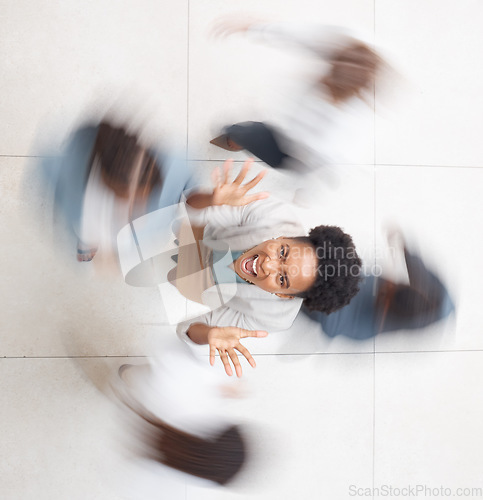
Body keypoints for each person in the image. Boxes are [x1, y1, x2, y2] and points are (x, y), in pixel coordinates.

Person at [173, 159, 362, 376]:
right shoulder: (274, 215)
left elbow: (189, 330)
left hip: (202, 283)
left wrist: (209, 334)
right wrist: (211, 199)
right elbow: (192, 208)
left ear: (284, 296)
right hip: (204, 235)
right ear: (285, 236)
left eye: (282, 279)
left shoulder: (274, 317)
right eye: (282, 252)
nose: (266, 264)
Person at [210, 20, 388, 178]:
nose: (324, 76)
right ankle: (236, 138)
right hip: (289, 132)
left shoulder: (342, 125)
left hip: (292, 155)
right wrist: (253, 27)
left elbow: (327, 162)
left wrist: (305, 194)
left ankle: (233, 140)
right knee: (249, 130)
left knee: (242, 131)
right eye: (336, 65)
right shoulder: (349, 49)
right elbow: (305, 37)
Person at [113, 339, 251, 496]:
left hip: (147, 384)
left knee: (134, 375)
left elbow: (169, 349)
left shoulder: (185, 393)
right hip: (136, 412)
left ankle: (125, 374)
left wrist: (218, 384)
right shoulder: (167, 475)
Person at [51, 119, 195, 263]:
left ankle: (90, 243)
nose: (138, 204)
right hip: (93, 225)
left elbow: (190, 184)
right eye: (125, 196)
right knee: (86, 233)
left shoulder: (173, 165)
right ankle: (88, 244)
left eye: (142, 197)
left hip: (135, 234)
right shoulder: (77, 195)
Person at [304, 230, 455, 340]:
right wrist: (402, 245)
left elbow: (336, 324)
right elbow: (416, 267)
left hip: (358, 319)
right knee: (340, 274)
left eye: (383, 299)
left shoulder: (370, 324)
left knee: (319, 306)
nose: (383, 292)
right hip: (361, 289)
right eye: (387, 290)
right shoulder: (438, 291)